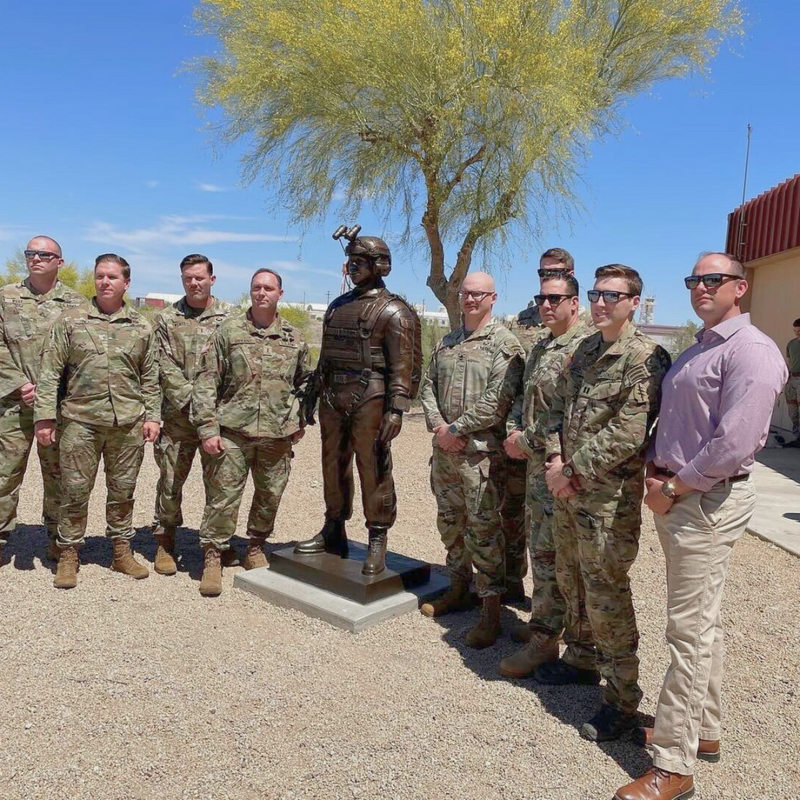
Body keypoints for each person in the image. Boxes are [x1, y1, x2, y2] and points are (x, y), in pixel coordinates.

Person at [615, 253, 787, 800]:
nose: (701, 287)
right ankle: (702, 731)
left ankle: (674, 763)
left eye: (714, 279)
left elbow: (735, 443)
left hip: (702, 501)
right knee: (700, 625)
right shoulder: (701, 345)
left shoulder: (751, 351)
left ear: (740, 287)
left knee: (686, 633)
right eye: (695, 279)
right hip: (680, 496)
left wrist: (672, 487)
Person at [540, 264, 671, 741]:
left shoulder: (646, 358)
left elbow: (630, 432)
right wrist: (556, 460)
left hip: (608, 501)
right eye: (596, 293)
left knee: (606, 594)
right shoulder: (585, 349)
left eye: (612, 295)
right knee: (570, 577)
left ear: (634, 302)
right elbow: (559, 409)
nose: (600, 302)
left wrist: (571, 471)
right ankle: (579, 659)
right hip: (568, 489)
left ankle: (622, 700)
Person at [294, 234, 421, 576]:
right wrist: (312, 394)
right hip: (333, 396)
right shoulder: (337, 307)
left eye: (360, 262)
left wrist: (396, 408)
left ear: (380, 265)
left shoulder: (396, 311)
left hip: (372, 397)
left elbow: (405, 366)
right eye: (350, 261)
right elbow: (326, 356)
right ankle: (334, 528)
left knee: (373, 466)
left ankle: (377, 538)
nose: (352, 267)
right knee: (332, 464)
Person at [34, 254, 161, 589]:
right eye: (100, 276)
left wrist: (153, 416)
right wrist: (45, 418)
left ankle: (121, 550)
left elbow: (150, 377)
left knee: (123, 491)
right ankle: (68, 554)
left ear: (126, 283)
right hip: (80, 422)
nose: (105, 282)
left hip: (127, 424)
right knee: (74, 491)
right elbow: (49, 374)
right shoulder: (70, 320)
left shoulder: (141, 326)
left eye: (112, 277)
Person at [419, 272, 524, 648]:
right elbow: (427, 386)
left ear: (493, 298)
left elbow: (499, 401)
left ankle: (491, 608)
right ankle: (459, 587)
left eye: (478, 294)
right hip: (445, 454)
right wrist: (437, 425)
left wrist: (457, 429)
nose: (470, 299)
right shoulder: (447, 342)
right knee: (450, 522)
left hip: (480, 457)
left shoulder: (505, 344)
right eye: (465, 293)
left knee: (484, 530)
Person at [192, 268, 309, 597]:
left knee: (270, 494)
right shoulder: (228, 331)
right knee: (223, 497)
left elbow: (306, 384)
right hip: (232, 430)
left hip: (277, 434)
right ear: (250, 292)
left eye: (268, 288)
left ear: (279, 294)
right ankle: (213, 556)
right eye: (256, 287)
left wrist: (299, 420)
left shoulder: (294, 337)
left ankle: (255, 546)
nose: (261, 293)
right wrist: (207, 428)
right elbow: (206, 381)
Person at [499, 272, 590, 676]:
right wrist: (513, 431)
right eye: (542, 298)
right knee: (542, 554)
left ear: (574, 302)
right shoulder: (540, 347)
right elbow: (522, 399)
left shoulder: (584, 348)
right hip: (537, 471)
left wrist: (526, 440)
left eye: (556, 298)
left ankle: (560, 642)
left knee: (563, 562)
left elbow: (566, 415)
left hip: (562, 470)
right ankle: (544, 629)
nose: (547, 305)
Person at [0, 237, 88, 565]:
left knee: (60, 476)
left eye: (44, 254)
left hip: (58, 407)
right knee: (4, 473)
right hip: (12, 404)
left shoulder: (78, 304)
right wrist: (19, 382)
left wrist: (53, 389)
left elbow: (82, 354)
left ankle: (58, 540)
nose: (35, 258)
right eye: (30, 253)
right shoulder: (5, 297)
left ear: (59, 262)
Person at [151, 254, 233, 574]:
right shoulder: (166, 319)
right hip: (178, 418)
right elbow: (161, 363)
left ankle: (215, 546)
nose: (194, 283)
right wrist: (191, 400)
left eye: (199, 277)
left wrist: (210, 408)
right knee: (170, 483)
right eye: (188, 278)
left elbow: (234, 364)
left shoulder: (231, 318)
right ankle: (164, 542)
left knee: (221, 485)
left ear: (212, 279)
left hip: (218, 418)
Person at [783, 317, 800, 445]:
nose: (797, 334)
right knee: (792, 410)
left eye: (799, 331)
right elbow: (788, 362)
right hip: (792, 379)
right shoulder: (791, 344)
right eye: (795, 331)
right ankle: (797, 437)